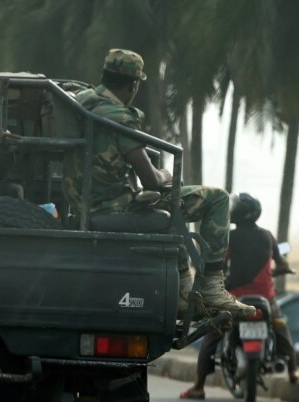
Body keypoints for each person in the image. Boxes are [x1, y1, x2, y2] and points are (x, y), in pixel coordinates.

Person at [62, 48, 255, 318]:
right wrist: (166, 175)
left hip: (86, 206)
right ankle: (212, 286)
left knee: (168, 207)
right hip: (116, 210)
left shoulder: (79, 102)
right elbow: (150, 179)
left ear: (105, 76)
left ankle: (184, 293)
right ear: (133, 85)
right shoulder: (120, 116)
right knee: (217, 198)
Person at [180, 193, 298, 399]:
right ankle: (292, 371)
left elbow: (220, 265)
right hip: (265, 298)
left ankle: (198, 386)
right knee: (280, 326)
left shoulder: (229, 237)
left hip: (234, 297)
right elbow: (281, 264)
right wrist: (279, 271)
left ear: (242, 214)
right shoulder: (268, 236)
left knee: (212, 333)